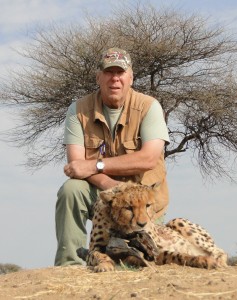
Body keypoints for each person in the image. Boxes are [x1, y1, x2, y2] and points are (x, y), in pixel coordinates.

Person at [54, 47, 170, 266]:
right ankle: (68, 265)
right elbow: (77, 166)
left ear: (131, 77)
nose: (115, 78)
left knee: (140, 260)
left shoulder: (149, 107)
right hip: (103, 195)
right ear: (99, 77)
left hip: (143, 203)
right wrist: (112, 187)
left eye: (121, 72)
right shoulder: (77, 110)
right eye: (109, 72)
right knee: (71, 189)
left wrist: (95, 165)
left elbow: (148, 159)